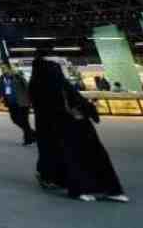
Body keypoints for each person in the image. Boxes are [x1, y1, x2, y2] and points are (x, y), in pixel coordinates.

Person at [29, 52, 127, 202]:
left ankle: (96, 188)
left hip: (66, 125)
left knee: (71, 155)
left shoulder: (39, 81)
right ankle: (93, 188)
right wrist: (88, 109)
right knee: (78, 156)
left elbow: (68, 98)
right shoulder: (50, 81)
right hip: (68, 125)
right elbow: (69, 99)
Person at [0, 64, 36, 145]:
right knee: (15, 119)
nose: (3, 70)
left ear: (10, 69)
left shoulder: (18, 76)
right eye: (2, 68)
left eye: (4, 68)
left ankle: (28, 139)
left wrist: (32, 100)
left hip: (22, 103)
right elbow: (1, 90)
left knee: (24, 121)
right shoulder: (2, 78)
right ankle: (33, 134)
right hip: (11, 103)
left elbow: (27, 87)